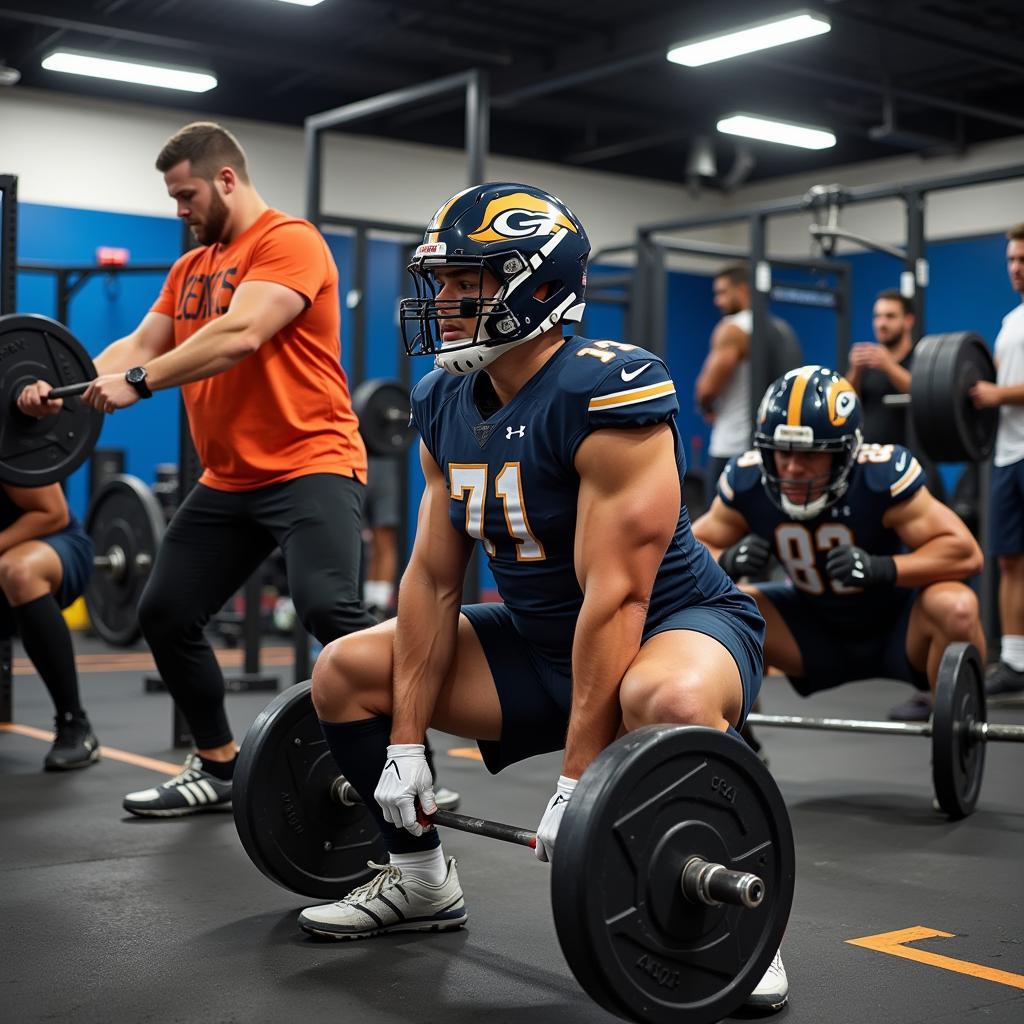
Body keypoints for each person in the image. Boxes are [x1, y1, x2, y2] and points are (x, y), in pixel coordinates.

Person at [296, 182, 787, 1010]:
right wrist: (406, 742)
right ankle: (419, 883)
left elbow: (618, 598)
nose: (444, 302)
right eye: (442, 281)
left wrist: (577, 781)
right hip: (541, 640)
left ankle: (743, 929)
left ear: (535, 284)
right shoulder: (442, 399)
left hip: (674, 625)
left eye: (466, 282)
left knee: (661, 694)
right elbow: (432, 577)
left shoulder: (610, 392)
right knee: (345, 672)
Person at [18, 121, 376, 814]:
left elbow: (239, 333)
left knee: (328, 606)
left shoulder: (287, 241)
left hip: (311, 460)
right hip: (230, 477)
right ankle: (217, 765)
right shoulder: (189, 270)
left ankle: (403, 758)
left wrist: (143, 382)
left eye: (186, 196)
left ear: (226, 180)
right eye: (174, 199)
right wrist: (53, 394)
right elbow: (135, 344)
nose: (179, 211)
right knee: (165, 612)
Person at [693, 366, 985, 732]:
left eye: (811, 454)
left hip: (896, 626)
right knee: (733, 609)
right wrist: (728, 561)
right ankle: (737, 744)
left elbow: (965, 552)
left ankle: (955, 740)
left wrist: (883, 568)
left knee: (956, 606)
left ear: (846, 454)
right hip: (810, 630)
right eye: (782, 452)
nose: (793, 468)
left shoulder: (879, 476)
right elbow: (692, 549)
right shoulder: (750, 480)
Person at [845, 289, 944, 721]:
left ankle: (933, 680)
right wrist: (853, 371)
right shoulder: (865, 369)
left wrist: (889, 367)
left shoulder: (921, 362)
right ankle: (896, 662)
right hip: (874, 486)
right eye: (876, 316)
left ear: (907, 321)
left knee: (925, 575)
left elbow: (929, 400)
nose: (880, 324)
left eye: (889, 317)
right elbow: (842, 410)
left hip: (917, 484)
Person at [0, 482, 98, 769]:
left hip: (51, 542)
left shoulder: (9, 442)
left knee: (18, 572)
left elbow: (53, 513)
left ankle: (74, 723)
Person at [695, 265, 803, 509]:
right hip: (769, 449)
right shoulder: (779, 329)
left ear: (743, 289)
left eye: (723, 292)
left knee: (719, 530)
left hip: (731, 446)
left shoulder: (732, 328)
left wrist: (705, 406)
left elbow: (707, 388)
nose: (717, 301)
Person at [970, 222, 1024, 697]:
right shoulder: (1011, 322)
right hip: (1008, 454)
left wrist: (996, 394)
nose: (1016, 268)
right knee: (1009, 561)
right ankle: (1013, 660)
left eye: (1023, 260)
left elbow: (998, 391)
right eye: (1011, 259)